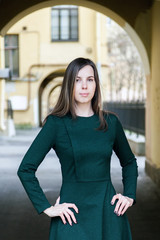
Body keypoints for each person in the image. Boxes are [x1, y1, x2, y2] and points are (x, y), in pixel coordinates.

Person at [17, 57, 138, 240]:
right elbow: (25, 169)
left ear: (96, 84)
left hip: (108, 213)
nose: (84, 86)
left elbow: (129, 162)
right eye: (77, 80)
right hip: (71, 216)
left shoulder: (111, 122)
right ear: (69, 85)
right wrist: (47, 207)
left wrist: (129, 195)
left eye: (90, 80)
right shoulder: (56, 124)